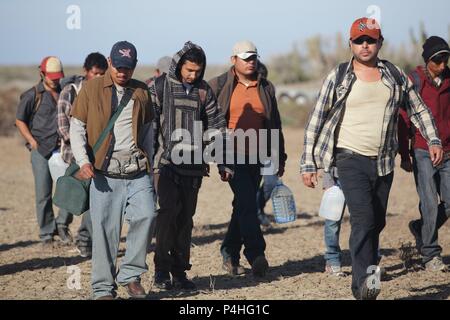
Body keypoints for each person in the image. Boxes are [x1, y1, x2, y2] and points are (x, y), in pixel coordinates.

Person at [300, 18, 443, 300]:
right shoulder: (339, 76)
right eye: (359, 41)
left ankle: (368, 275)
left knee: (376, 222)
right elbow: (315, 121)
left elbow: (419, 109)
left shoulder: (394, 75)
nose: (365, 46)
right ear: (350, 43)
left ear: (380, 42)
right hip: (348, 158)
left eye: (370, 40)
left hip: (383, 162)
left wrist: (433, 139)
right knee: (363, 219)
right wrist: (308, 163)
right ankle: (364, 287)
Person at [70, 41, 155, 300]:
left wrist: (151, 166)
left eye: (127, 68)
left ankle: (130, 275)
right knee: (105, 232)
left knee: (148, 215)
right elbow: (77, 127)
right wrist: (84, 161)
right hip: (103, 172)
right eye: (118, 66)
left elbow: (148, 130)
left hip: (137, 170)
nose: (122, 72)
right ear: (109, 61)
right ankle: (103, 289)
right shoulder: (91, 88)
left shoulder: (141, 91)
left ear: (134, 66)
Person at [150, 41, 232, 291]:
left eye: (197, 71)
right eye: (189, 70)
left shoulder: (204, 91)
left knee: (185, 221)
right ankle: (161, 271)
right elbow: (148, 127)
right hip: (164, 166)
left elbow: (216, 127)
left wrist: (223, 163)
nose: (193, 75)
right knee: (166, 216)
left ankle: (180, 272)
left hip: (194, 168)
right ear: (179, 66)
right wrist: (148, 163)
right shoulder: (159, 87)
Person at [209, 40, 287, 278]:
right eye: (246, 58)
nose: (251, 61)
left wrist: (279, 156)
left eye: (253, 57)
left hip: (258, 156)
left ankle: (229, 252)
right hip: (231, 155)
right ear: (234, 60)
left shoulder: (266, 87)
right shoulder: (219, 85)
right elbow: (209, 122)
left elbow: (274, 123)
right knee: (247, 202)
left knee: (242, 206)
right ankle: (255, 254)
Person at [399, 36, 450, 272]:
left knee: (448, 203)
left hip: (448, 151)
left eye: (446, 59)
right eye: (437, 60)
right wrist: (404, 154)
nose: (442, 64)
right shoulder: (414, 81)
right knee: (429, 203)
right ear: (427, 60)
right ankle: (430, 254)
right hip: (422, 150)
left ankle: (421, 228)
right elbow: (403, 119)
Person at [15, 56, 73, 246]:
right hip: (40, 150)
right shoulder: (31, 95)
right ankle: (47, 233)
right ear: (42, 74)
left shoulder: (65, 91)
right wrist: (32, 141)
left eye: (58, 76)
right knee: (43, 193)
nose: (55, 80)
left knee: (68, 188)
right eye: (51, 76)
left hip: (62, 149)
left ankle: (63, 225)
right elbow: (19, 120)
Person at [56, 52, 108, 258]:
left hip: (98, 157)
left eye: (102, 74)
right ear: (86, 71)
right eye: (95, 73)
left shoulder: (105, 92)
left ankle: (85, 241)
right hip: (74, 157)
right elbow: (63, 126)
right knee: (72, 196)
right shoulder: (71, 91)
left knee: (91, 202)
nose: (98, 77)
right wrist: (82, 145)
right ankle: (62, 227)